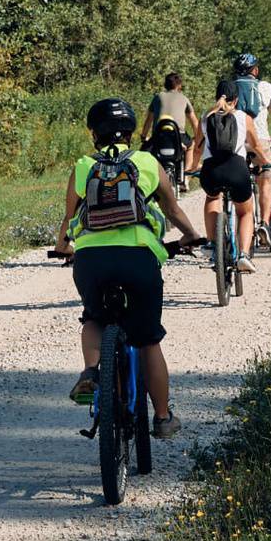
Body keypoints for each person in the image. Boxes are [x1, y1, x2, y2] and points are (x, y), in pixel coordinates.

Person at [52, 98, 203, 437]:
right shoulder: (147, 163)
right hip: (139, 257)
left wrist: (64, 247)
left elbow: (69, 217)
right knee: (148, 339)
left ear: (95, 134)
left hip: (92, 259)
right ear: (131, 132)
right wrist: (192, 236)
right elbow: (173, 210)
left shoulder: (82, 166)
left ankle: (91, 372)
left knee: (94, 317)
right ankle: (162, 418)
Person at [200, 79, 270, 274]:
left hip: (211, 171)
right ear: (236, 100)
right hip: (236, 169)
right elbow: (255, 146)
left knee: (212, 197)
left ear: (216, 97)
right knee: (245, 211)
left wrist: (190, 169)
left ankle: (213, 245)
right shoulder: (243, 117)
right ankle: (243, 256)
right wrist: (265, 162)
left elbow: (196, 149)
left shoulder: (206, 117)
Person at [232, 54, 271, 231]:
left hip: (236, 140)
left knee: (234, 182)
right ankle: (263, 223)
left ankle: (232, 218)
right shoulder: (267, 87)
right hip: (260, 140)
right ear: (255, 70)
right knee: (265, 181)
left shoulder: (229, 87)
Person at [139, 71, 200, 184]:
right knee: (191, 146)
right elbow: (194, 122)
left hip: (159, 136)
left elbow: (149, 119)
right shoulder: (184, 98)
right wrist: (197, 137)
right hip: (179, 136)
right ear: (179, 85)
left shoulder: (158, 97)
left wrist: (143, 135)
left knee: (144, 152)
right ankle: (186, 177)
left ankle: (145, 180)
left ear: (165, 85)